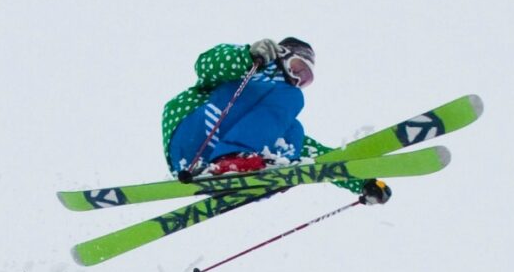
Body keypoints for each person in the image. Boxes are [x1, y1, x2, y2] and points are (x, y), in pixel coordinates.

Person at [159, 38, 389, 200]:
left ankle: (257, 171)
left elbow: (317, 157)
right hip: (194, 131)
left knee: (295, 135)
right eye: (298, 68)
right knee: (291, 97)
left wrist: (362, 183)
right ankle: (233, 159)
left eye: (306, 78)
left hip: (206, 161)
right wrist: (248, 56)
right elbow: (207, 64)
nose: (298, 79)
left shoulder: (270, 116)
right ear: (282, 55)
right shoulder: (254, 70)